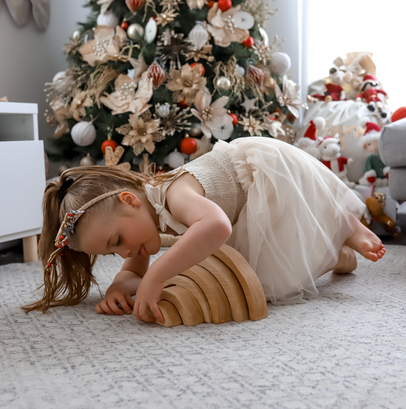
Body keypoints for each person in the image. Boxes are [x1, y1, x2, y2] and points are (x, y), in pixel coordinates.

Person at [23, 137, 385, 323]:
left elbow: (216, 225)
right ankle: (334, 251)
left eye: (117, 241)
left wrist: (157, 276)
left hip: (269, 181)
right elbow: (136, 267)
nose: (124, 253)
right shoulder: (143, 227)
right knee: (249, 278)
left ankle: (342, 222)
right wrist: (122, 284)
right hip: (245, 211)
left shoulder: (175, 194)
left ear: (130, 201)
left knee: (270, 280)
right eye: (111, 252)